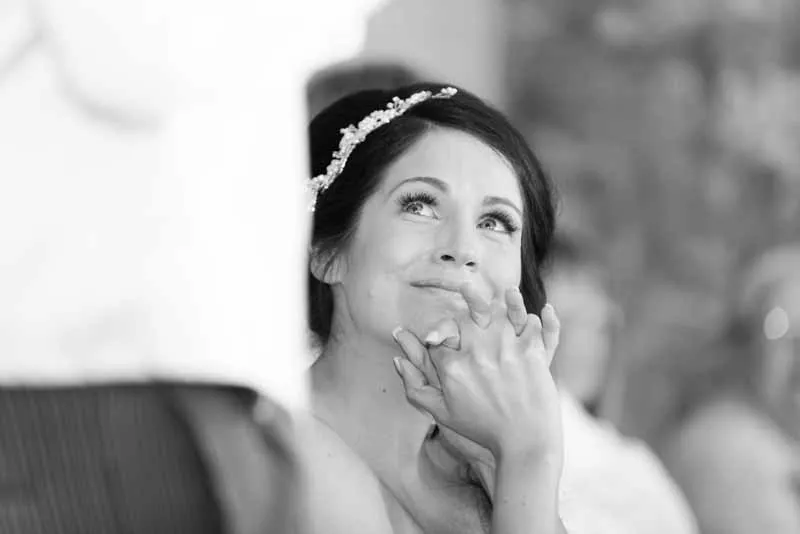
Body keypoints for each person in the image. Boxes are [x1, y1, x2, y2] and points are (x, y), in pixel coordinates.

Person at [298, 82, 568, 533]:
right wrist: (532, 457)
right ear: (327, 253)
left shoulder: (493, 468)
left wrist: (503, 464)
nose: (463, 249)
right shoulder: (276, 455)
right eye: (420, 206)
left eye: (494, 222)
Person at [661, 243, 800, 534]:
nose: (797, 359)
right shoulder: (730, 449)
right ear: (746, 345)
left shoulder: (775, 437)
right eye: (784, 333)